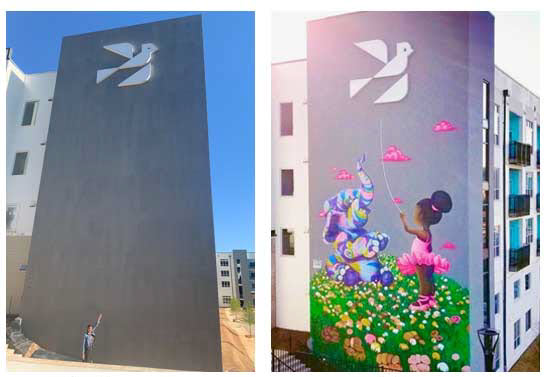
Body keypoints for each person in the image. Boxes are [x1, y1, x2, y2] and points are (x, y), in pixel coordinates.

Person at [397, 191, 452, 311]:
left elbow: (407, 229)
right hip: (426, 260)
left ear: (421, 216)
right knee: (429, 278)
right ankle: (431, 297)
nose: (414, 215)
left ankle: (423, 301)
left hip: (421, 261)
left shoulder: (422, 233)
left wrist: (403, 219)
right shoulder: (427, 232)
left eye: (416, 212)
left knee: (423, 280)